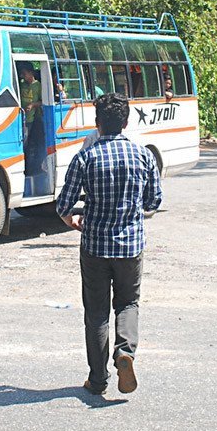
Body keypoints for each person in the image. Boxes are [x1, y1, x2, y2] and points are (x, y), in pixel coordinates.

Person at [56, 93, 162, 397]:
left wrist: (71, 220)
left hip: (94, 246)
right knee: (128, 303)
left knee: (97, 312)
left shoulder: (85, 157)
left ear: (96, 123)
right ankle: (125, 351)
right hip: (130, 246)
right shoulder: (143, 155)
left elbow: (64, 203)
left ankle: (98, 379)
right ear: (126, 122)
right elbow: (154, 201)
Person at [18, 63, 44, 175]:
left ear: (31, 73)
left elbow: (43, 101)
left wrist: (33, 105)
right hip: (20, 118)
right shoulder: (21, 85)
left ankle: (31, 169)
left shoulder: (38, 86)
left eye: (25, 73)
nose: (23, 76)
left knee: (28, 144)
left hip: (31, 119)